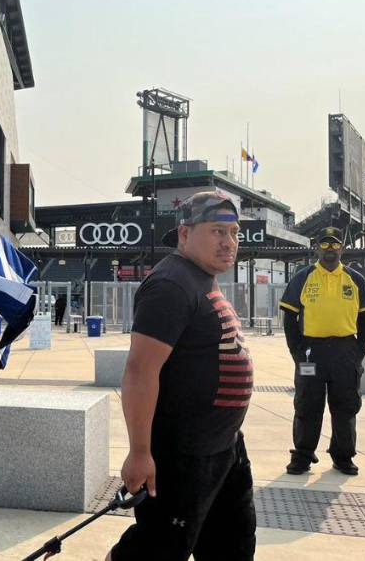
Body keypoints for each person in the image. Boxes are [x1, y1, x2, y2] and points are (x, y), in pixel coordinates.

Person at [109, 191, 256, 561]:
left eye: (234, 232)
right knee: (156, 549)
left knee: (232, 547)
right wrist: (140, 453)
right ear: (185, 234)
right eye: (218, 231)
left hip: (223, 450)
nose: (229, 242)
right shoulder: (171, 286)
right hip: (183, 458)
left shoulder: (202, 278)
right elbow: (140, 371)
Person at [280, 226, 365, 476]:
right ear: (316, 249)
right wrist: (298, 353)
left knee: (345, 407)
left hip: (345, 352)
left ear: (342, 248)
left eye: (334, 245)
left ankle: (343, 456)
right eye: (324, 245)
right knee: (307, 404)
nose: (329, 250)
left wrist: (357, 354)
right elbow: (289, 318)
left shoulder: (355, 280)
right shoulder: (303, 277)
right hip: (312, 351)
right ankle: (303, 454)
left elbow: (364, 322)